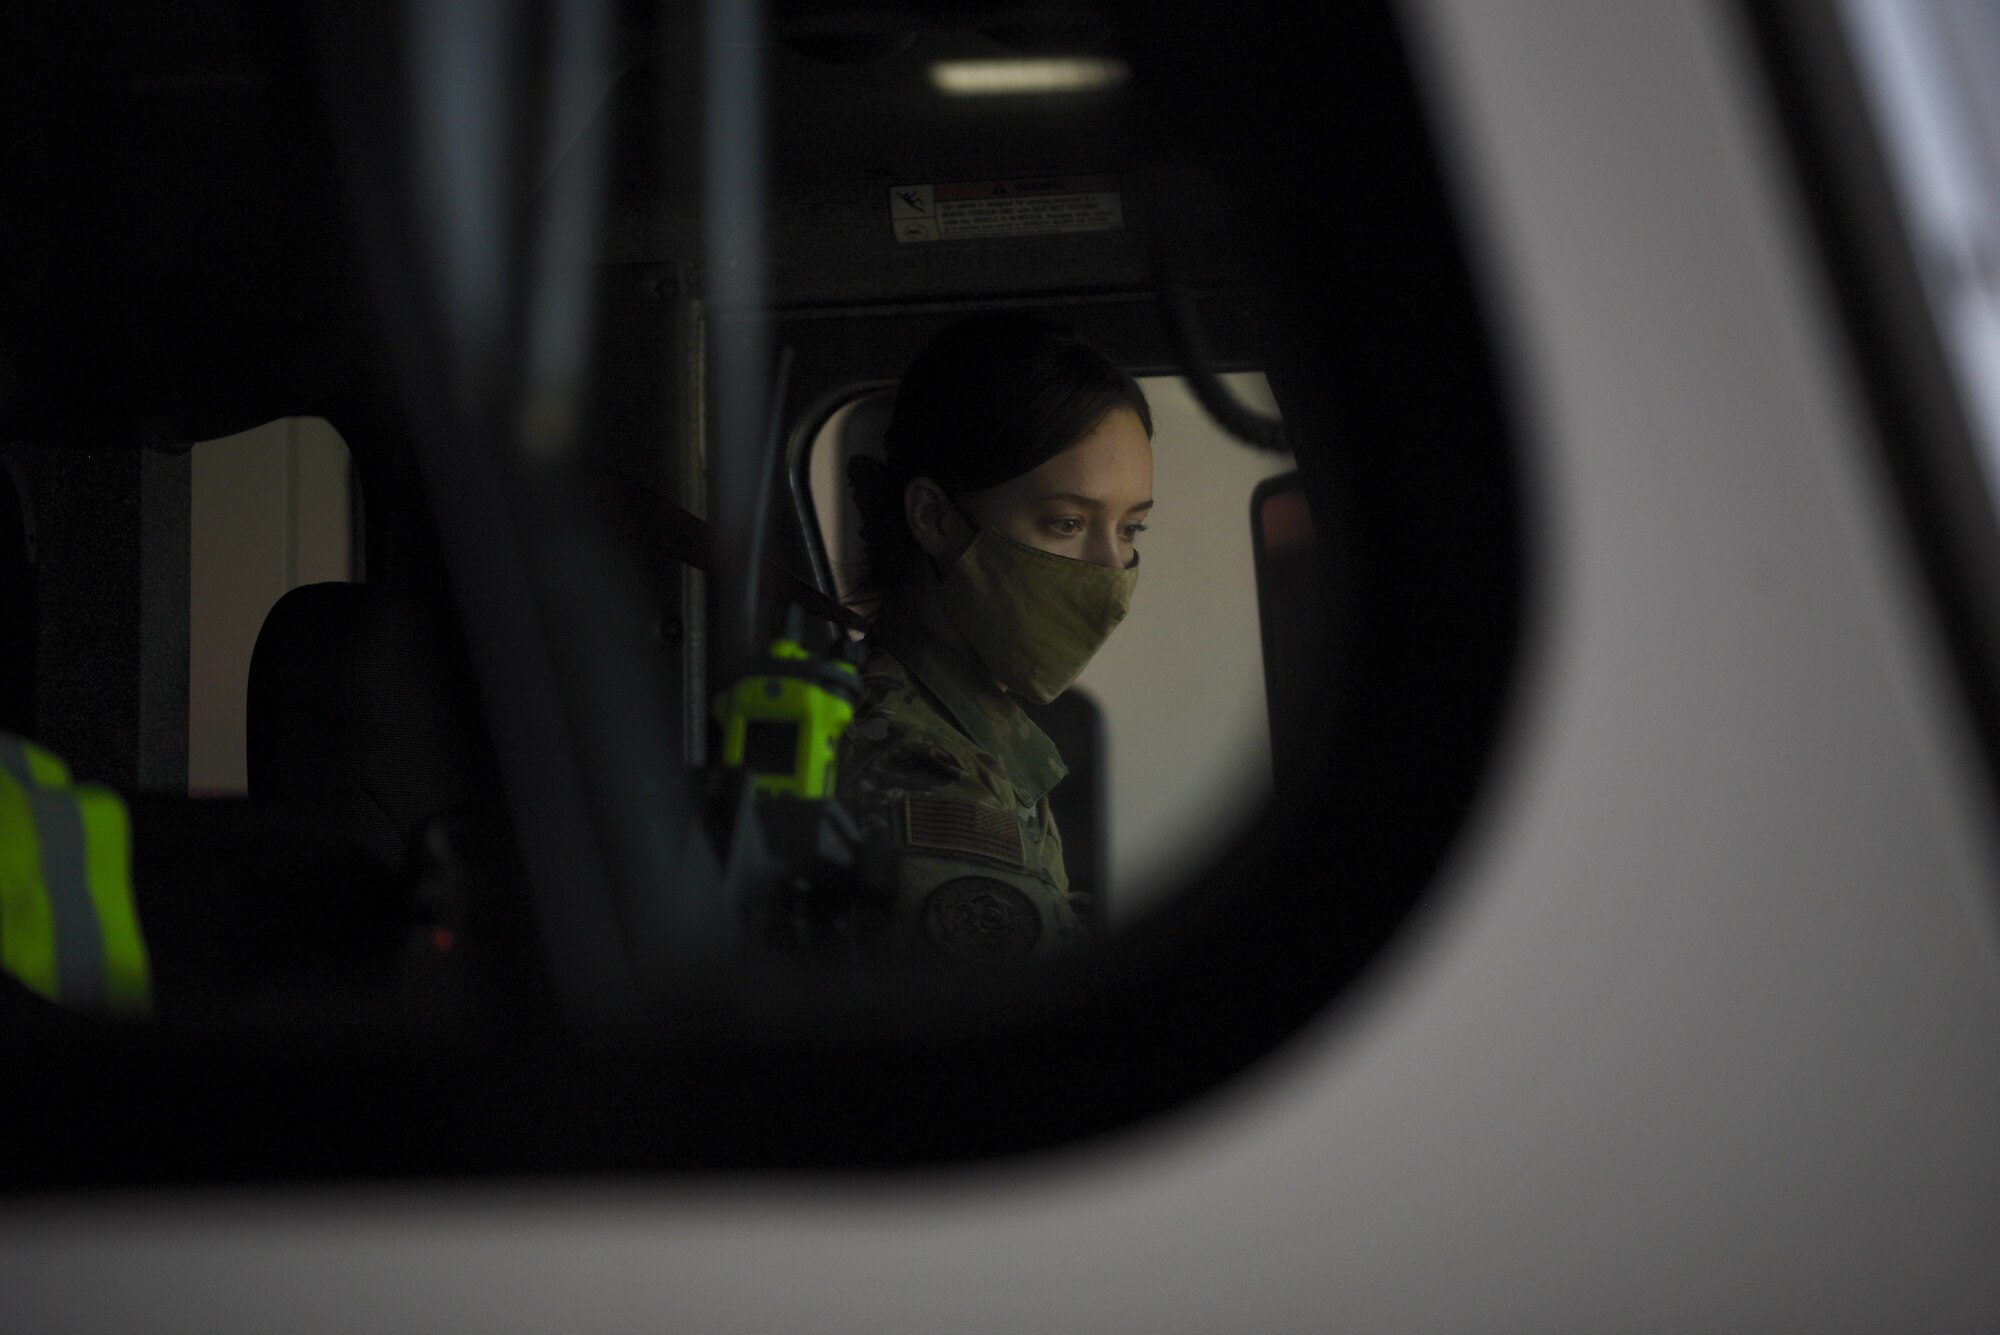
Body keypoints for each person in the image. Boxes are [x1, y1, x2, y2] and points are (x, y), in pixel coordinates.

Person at [837, 313, 1153, 964]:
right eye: (1067, 522)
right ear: (934, 518)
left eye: (1130, 530)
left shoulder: (967, 727)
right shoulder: (924, 771)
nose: (1112, 570)